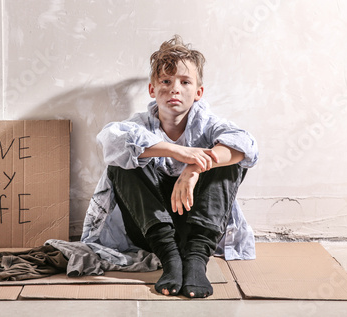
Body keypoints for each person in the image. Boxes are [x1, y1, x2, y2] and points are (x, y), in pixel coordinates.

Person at [81, 35, 258, 298]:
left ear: (198, 92)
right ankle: (171, 259)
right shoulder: (139, 125)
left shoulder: (209, 125)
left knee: (229, 157)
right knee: (124, 158)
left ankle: (197, 260)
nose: (174, 89)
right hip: (152, 233)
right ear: (153, 90)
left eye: (184, 82)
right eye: (166, 81)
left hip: (197, 229)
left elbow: (247, 145)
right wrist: (179, 151)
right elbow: (110, 140)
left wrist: (194, 167)